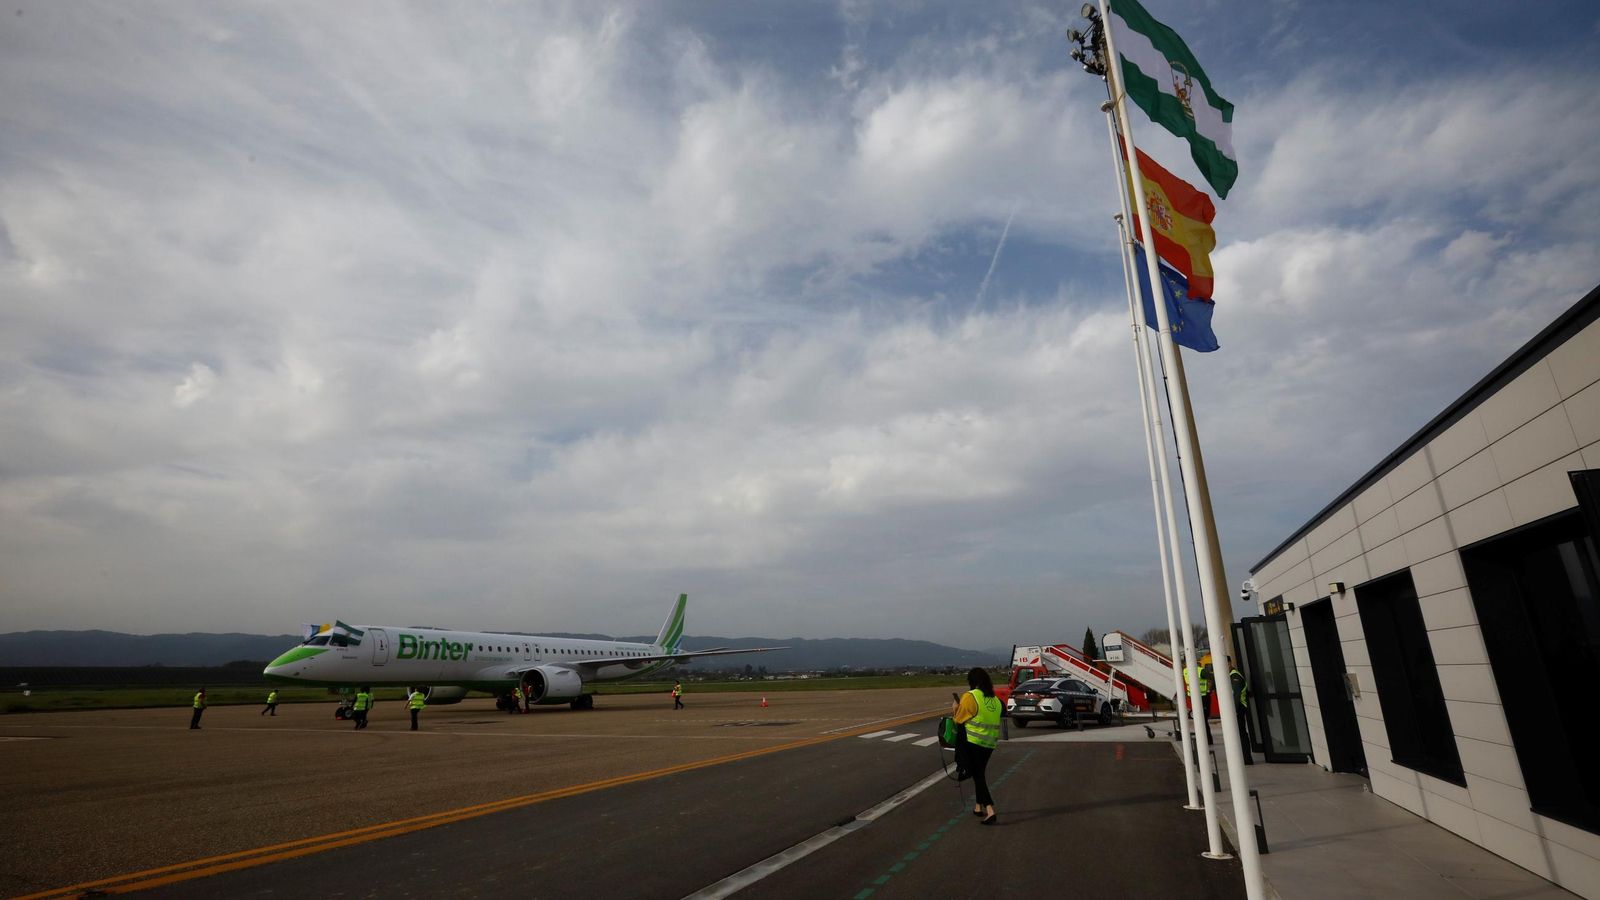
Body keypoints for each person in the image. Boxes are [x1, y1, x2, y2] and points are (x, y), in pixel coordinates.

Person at [951, 667, 1003, 825]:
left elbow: (958, 720)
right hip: (990, 743)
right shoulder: (994, 699)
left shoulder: (970, 696)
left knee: (978, 776)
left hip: (973, 742)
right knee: (978, 773)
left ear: (972, 682)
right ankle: (978, 807)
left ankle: (990, 809)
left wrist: (955, 709)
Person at [1229, 657, 1253, 765]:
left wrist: (1234, 710)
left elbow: (1237, 695)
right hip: (1237, 708)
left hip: (1239, 708)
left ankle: (1247, 758)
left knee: (1241, 733)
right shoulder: (1230, 675)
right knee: (1238, 733)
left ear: (1229, 663)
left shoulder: (1235, 676)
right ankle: (1242, 757)